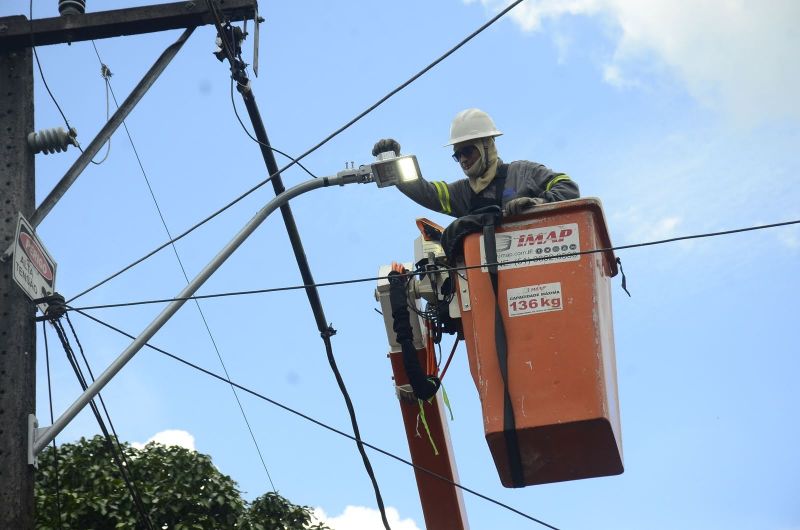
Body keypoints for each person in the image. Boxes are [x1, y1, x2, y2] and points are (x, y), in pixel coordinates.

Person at [372, 108, 579, 218]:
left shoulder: (522, 172)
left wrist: (539, 204)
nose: (463, 159)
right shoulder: (463, 193)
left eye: (468, 151)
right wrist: (394, 164)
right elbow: (427, 192)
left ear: (487, 146)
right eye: (457, 155)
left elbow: (567, 187)